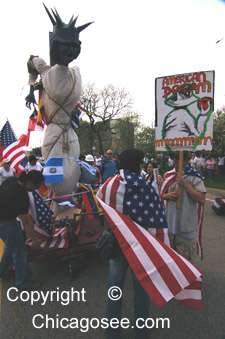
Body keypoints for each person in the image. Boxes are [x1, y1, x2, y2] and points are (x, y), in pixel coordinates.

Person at [25, 4, 92, 216]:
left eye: (73, 46)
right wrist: (31, 86)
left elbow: (31, 62)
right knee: (56, 176)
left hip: (68, 132)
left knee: (71, 172)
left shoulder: (75, 72)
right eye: (64, 46)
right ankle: (56, 211)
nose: (69, 51)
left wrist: (33, 84)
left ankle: (67, 209)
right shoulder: (46, 70)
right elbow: (31, 60)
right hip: (54, 131)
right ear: (55, 45)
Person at [99, 149, 167, 339]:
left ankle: (112, 330)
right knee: (143, 290)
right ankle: (141, 331)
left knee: (115, 287)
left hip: (117, 244)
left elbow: (102, 203)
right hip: (141, 248)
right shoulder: (146, 187)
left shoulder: (109, 185)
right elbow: (157, 216)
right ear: (137, 165)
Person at [0, 170, 45, 290]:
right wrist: (34, 240)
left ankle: (4, 272)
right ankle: (23, 283)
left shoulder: (11, 180)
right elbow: (26, 222)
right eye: (37, 185)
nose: (37, 188)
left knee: (10, 248)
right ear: (30, 182)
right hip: (6, 223)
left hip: (4, 219)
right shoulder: (21, 195)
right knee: (20, 252)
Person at [161, 152, 206, 260]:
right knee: (171, 259)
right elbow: (161, 195)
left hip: (185, 227)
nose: (175, 160)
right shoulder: (168, 175)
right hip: (170, 225)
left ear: (186, 159)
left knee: (184, 261)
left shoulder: (194, 176)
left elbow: (201, 199)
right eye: (173, 157)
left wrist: (185, 184)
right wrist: (167, 195)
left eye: (178, 158)